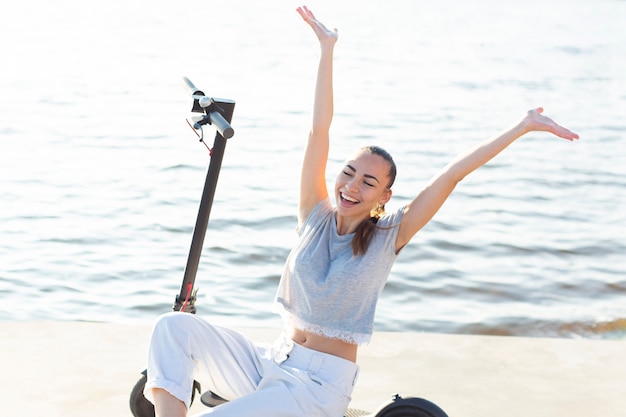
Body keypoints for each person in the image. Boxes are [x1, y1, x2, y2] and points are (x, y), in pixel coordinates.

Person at [143, 5, 579, 417]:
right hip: (268, 362)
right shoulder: (314, 215)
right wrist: (326, 49)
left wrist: (521, 127)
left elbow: (451, 175)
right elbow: (319, 129)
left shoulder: (390, 235)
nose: (352, 186)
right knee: (172, 328)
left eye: (368, 182)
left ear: (384, 197)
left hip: (315, 388)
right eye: (349, 173)